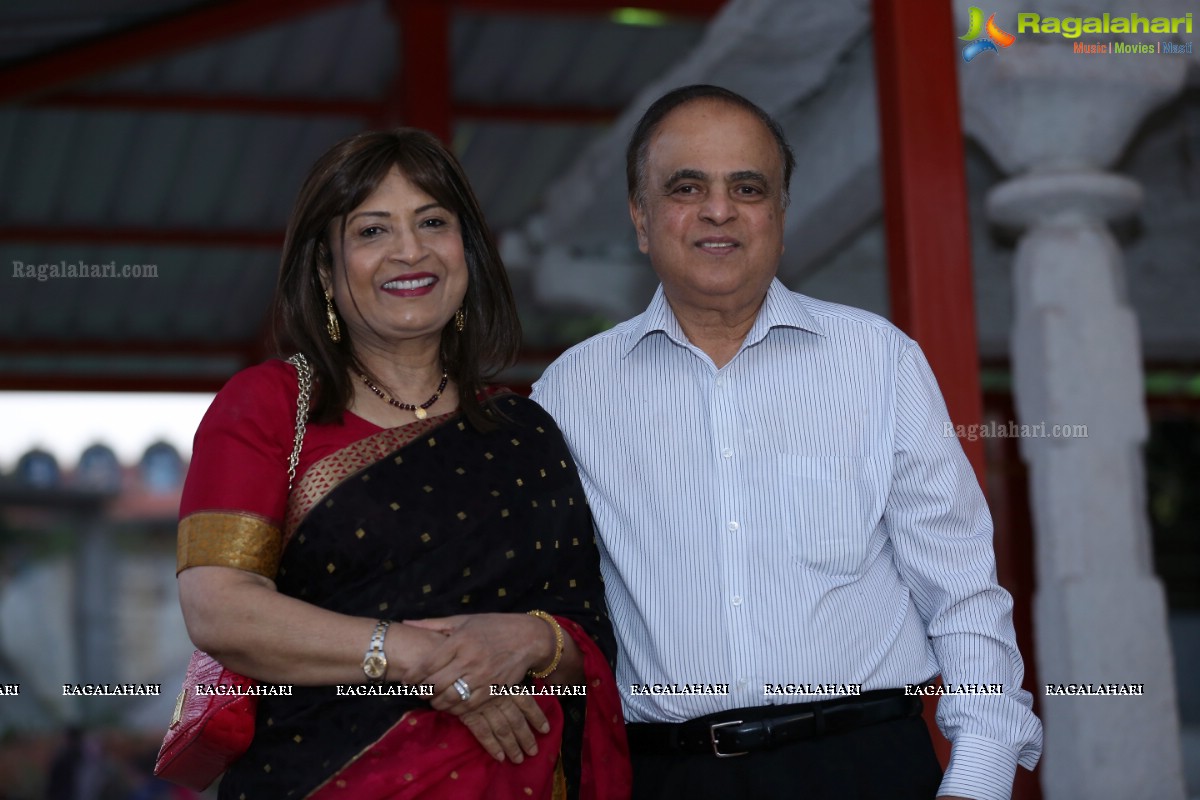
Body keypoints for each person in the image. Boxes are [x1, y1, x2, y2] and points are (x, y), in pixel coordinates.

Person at [531, 85, 1043, 800]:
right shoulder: (569, 393)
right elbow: (550, 608)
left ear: (779, 214)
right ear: (641, 219)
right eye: (687, 187)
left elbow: (961, 589)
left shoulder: (877, 360)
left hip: (866, 767)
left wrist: (979, 779)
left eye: (748, 186)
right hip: (669, 777)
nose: (719, 210)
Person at [175, 128, 630, 799]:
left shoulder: (526, 432)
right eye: (371, 231)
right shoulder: (269, 406)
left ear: (466, 252)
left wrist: (531, 643)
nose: (409, 250)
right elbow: (221, 611)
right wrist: (427, 659)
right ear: (327, 272)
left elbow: (589, 632)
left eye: (433, 222)